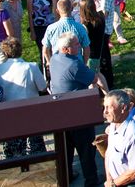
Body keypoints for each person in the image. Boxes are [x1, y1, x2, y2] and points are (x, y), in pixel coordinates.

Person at [49, 32, 108, 187]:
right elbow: (96, 79)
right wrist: (108, 96)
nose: (80, 46)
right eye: (76, 44)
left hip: (60, 114)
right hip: (78, 115)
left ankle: (66, 176)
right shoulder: (74, 65)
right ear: (66, 49)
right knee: (86, 150)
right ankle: (91, 180)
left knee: (66, 149)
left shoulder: (55, 58)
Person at [0, 37, 48, 158]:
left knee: (13, 149)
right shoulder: (31, 67)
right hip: (30, 113)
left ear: (5, 53)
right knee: (35, 148)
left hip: (9, 113)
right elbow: (42, 87)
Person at [103, 89, 135, 187]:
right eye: (104, 107)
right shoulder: (114, 123)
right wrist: (109, 179)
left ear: (123, 108)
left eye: (109, 107)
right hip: (118, 182)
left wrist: (113, 184)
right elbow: (109, 153)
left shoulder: (133, 134)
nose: (105, 112)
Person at [43, 0, 91, 65]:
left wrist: (49, 62)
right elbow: (86, 49)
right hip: (77, 65)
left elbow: (45, 50)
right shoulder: (80, 28)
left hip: (58, 66)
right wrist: (84, 63)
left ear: (57, 11)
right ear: (72, 9)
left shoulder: (51, 28)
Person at [90, 0, 115, 88]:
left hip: (104, 29)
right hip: (104, 27)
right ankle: (107, 81)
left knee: (104, 57)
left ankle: (108, 82)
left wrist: (93, 16)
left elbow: (104, 12)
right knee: (104, 55)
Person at [27, 0, 57, 68]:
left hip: (50, 26)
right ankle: (45, 69)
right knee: (42, 50)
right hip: (38, 26)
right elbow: (30, 14)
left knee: (52, 49)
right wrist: (32, 31)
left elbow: (55, 13)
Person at [79, 0, 106, 73]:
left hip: (90, 55)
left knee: (91, 80)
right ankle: (105, 85)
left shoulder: (86, 25)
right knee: (97, 74)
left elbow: (82, 41)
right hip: (98, 51)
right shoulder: (101, 16)